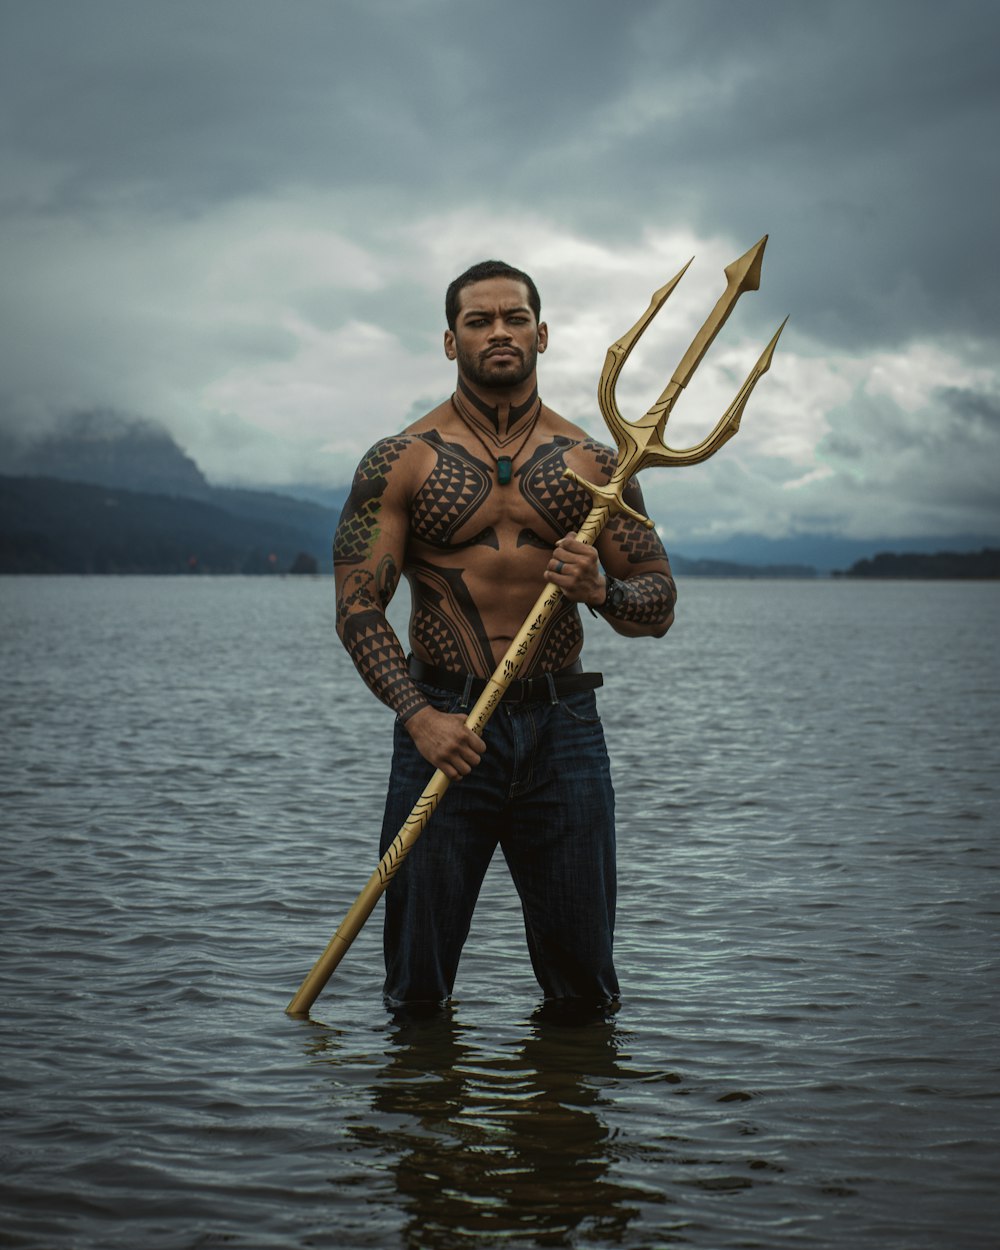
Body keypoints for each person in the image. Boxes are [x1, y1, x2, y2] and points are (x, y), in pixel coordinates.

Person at [333, 259, 676, 1013]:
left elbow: (657, 604)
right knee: (415, 991)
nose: (499, 332)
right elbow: (359, 608)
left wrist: (602, 590)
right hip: (442, 726)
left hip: (564, 733)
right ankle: (423, 1125)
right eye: (479, 320)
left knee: (585, 990)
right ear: (450, 341)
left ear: (542, 334)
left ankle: (563, 1127)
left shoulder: (596, 463)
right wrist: (419, 719)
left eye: (514, 318)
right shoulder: (400, 460)